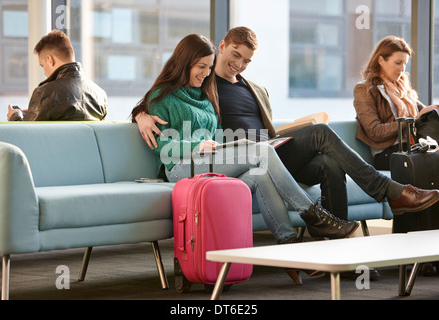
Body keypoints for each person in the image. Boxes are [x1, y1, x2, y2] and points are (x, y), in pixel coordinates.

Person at [135, 28, 439, 229]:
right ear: (222, 47)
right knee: (324, 148)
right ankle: (388, 192)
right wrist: (140, 114)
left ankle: (335, 247)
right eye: (235, 56)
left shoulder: (255, 88)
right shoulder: (204, 83)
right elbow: (165, 96)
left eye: (247, 60)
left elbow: (266, 129)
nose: (239, 65)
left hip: (273, 148)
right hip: (244, 153)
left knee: (325, 151)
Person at [131, 33, 361, 246]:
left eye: (209, 68)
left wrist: (225, 146)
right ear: (184, 63)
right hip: (179, 168)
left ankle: (288, 243)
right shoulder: (162, 96)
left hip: (209, 159)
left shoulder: (205, 94)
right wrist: (196, 144)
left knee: (259, 175)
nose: (205, 73)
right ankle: (314, 214)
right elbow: (162, 148)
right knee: (264, 152)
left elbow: (217, 132)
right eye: (201, 67)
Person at [354, 35, 439, 170]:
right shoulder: (365, 89)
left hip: (412, 147)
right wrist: (410, 120)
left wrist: (432, 110)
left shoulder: (402, 88)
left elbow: (423, 113)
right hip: (388, 153)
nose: (402, 69)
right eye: (398, 63)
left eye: (405, 64)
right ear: (381, 60)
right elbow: (374, 131)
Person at [7, 30, 107, 122]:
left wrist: (15, 116)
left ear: (50, 60)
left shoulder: (45, 93)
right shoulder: (100, 95)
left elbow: (25, 134)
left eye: (42, 66)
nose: (44, 73)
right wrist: (37, 109)